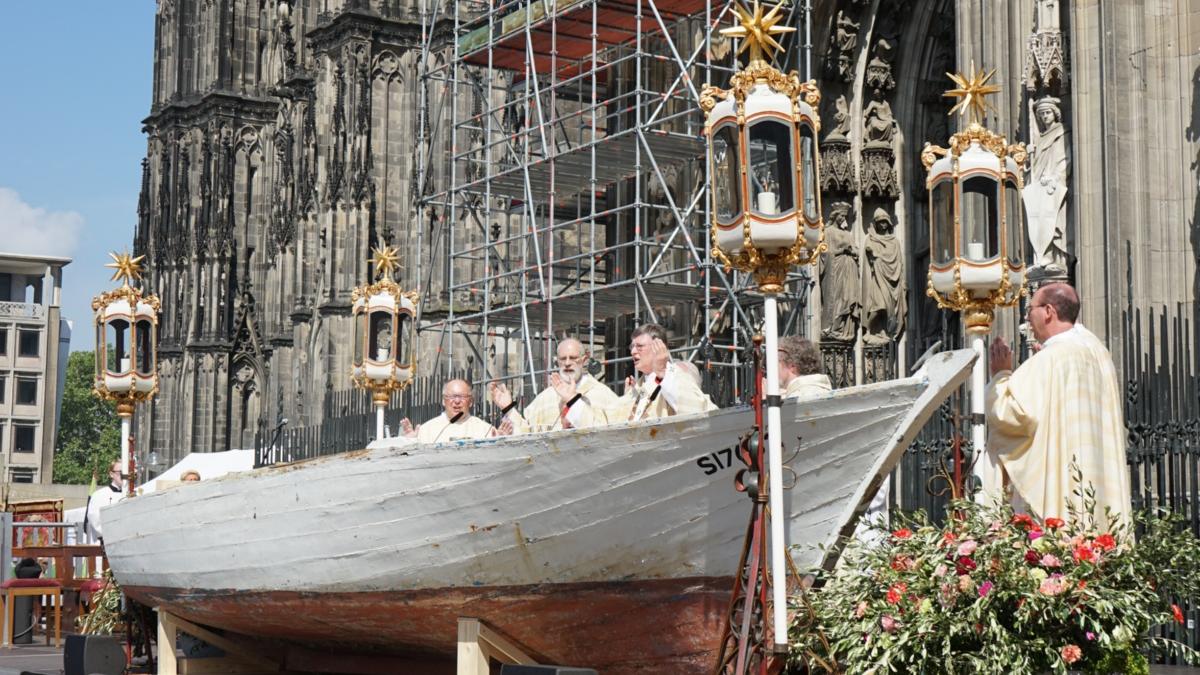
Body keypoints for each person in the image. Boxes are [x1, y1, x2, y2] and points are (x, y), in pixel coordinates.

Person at [987, 283, 1131, 527]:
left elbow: (1012, 415)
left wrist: (1001, 375)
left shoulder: (1052, 358)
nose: (1027, 320)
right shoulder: (1095, 351)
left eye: (1029, 310)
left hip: (1062, 482)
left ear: (1048, 311)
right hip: (1093, 474)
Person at [488, 338, 621, 433]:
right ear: (557, 362)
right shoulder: (545, 397)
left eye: (573, 358)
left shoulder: (602, 395)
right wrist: (508, 408)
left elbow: (614, 436)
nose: (567, 363)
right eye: (563, 359)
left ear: (584, 360)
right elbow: (527, 434)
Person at [606, 324, 717, 422]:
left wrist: (662, 372)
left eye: (639, 346)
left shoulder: (675, 376)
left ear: (658, 347)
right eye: (632, 346)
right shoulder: (640, 384)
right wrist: (630, 398)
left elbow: (695, 410)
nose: (633, 351)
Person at [401, 379, 502, 443]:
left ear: (471, 402)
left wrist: (502, 441)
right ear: (443, 401)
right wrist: (410, 442)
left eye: (462, 397)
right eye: (452, 397)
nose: (457, 401)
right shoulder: (426, 430)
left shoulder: (486, 430)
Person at [83, 460, 125, 544]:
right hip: (105, 543)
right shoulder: (99, 495)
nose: (123, 475)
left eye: (126, 472)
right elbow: (95, 521)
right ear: (111, 474)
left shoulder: (133, 494)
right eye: (120, 472)